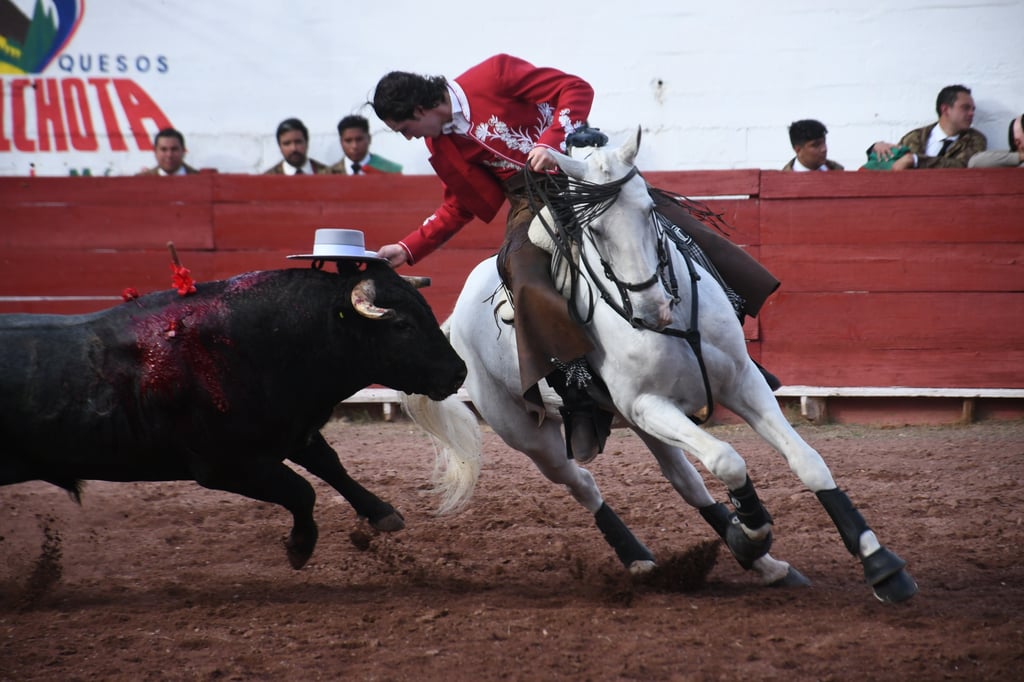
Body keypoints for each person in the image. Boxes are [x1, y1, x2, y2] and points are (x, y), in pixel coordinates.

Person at [370, 54, 779, 463]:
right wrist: (408, 249)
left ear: (421, 109)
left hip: (582, 171)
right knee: (523, 273)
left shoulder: (493, 74)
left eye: (405, 128)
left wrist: (549, 141)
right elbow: (460, 204)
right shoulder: (440, 146)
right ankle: (577, 389)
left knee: (669, 219)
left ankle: (733, 341)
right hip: (530, 201)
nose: (408, 138)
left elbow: (575, 88)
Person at [864, 84, 987, 170]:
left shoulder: (975, 139)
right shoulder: (914, 137)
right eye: (965, 108)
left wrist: (916, 160)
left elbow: (962, 165)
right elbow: (896, 165)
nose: (971, 113)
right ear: (945, 109)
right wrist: (876, 148)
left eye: (973, 109)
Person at [329, 115, 402, 175]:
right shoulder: (327, 175)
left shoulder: (391, 171)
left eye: (359, 139)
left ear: (369, 139)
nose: (354, 146)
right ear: (341, 142)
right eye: (348, 141)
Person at [264, 118, 330, 175]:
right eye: (287, 144)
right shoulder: (268, 178)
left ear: (307, 142)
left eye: (298, 142)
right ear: (280, 146)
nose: (293, 148)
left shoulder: (327, 174)